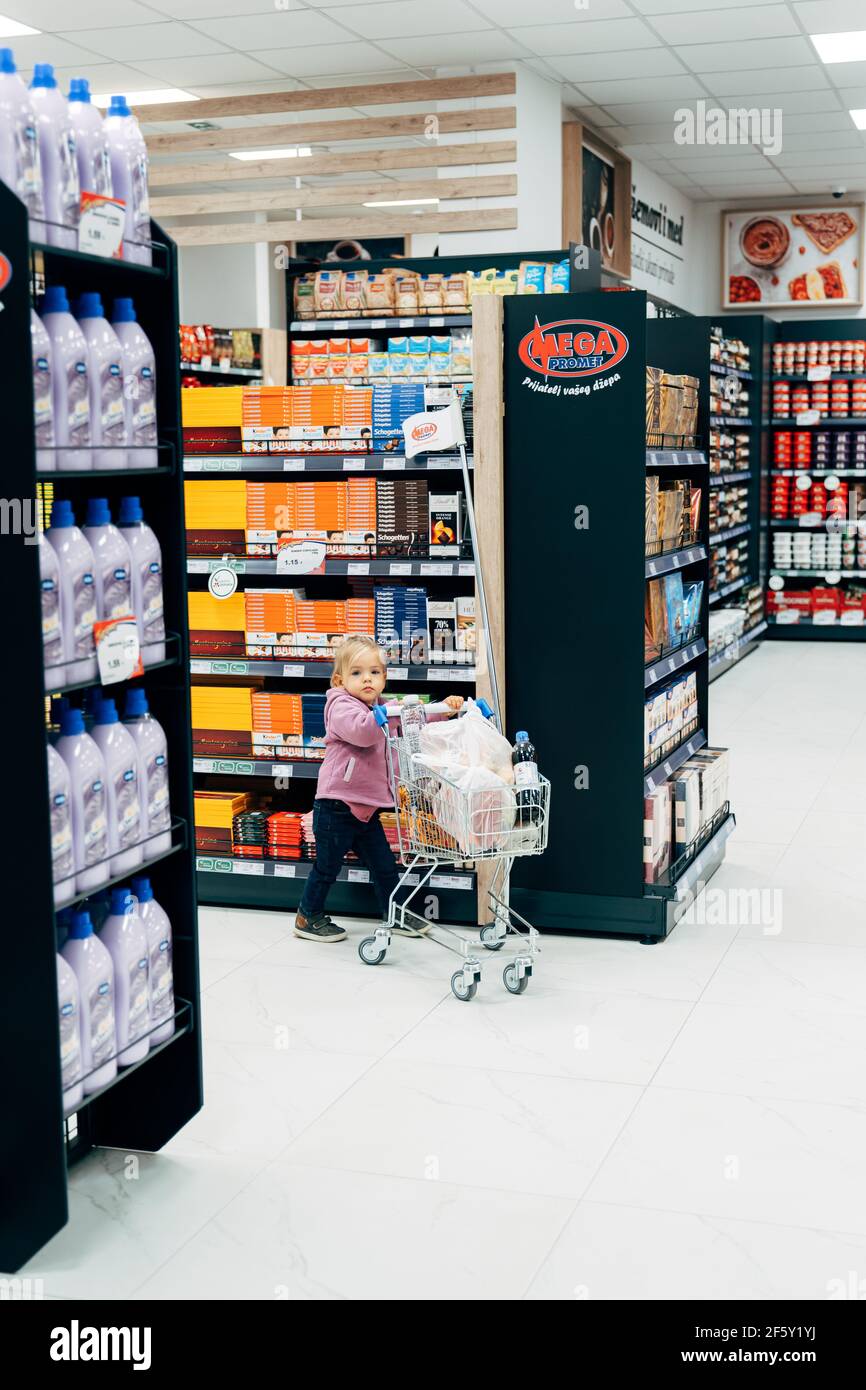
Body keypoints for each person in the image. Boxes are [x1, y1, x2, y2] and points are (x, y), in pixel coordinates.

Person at [295, 634, 463, 942]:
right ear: (339, 679)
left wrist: (443, 710)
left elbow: (413, 722)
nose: (367, 679)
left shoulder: (383, 707)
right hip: (336, 806)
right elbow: (363, 733)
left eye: (374, 672)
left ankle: (396, 914)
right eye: (357, 673)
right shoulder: (340, 706)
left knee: (385, 866)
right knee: (327, 867)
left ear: (384, 677)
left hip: (367, 810)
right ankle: (308, 915)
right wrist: (388, 714)